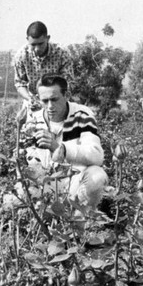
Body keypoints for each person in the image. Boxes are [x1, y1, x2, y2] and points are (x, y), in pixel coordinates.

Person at [25, 74, 108, 208]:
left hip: (73, 182)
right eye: (45, 101)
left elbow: (97, 156)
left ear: (67, 95)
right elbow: (25, 158)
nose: (50, 106)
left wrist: (60, 148)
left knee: (97, 177)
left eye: (54, 99)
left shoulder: (82, 115)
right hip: (42, 183)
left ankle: (81, 219)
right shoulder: (33, 119)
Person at [14, 21, 75, 108]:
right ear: (27, 39)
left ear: (48, 38)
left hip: (57, 98)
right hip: (33, 99)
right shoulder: (21, 56)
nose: (37, 48)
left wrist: (54, 98)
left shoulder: (62, 53)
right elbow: (20, 84)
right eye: (33, 45)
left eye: (40, 44)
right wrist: (30, 98)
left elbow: (68, 82)